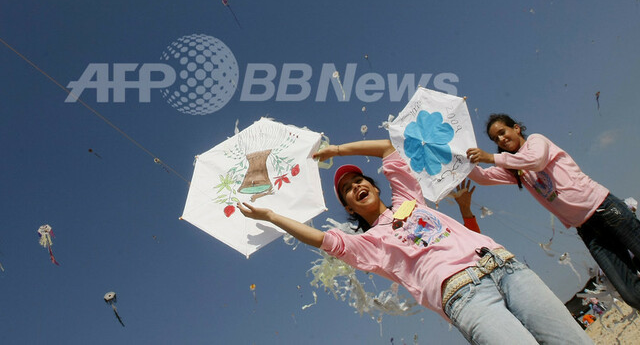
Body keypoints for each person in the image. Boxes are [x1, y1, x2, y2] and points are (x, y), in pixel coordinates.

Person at [239, 140, 591, 345]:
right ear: (348, 208)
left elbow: (387, 148)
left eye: (359, 180)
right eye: (347, 190)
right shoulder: (369, 244)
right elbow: (322, 239)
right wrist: (271, 216)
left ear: (374, 186)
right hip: (464, 296)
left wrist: (339, 150)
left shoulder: (409, 198)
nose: (355, 186)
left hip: (505, 267)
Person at [466, 113, 640, 322]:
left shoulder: (536, 141)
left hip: (604, 209)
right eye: (495, 139)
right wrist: (454, 156)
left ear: (516, 128)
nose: (500, 140)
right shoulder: (514, 168)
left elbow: (536, 161)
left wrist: (491, 158)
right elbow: (483, 177)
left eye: (502, 132)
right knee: (632, 294)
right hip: (587, 231)